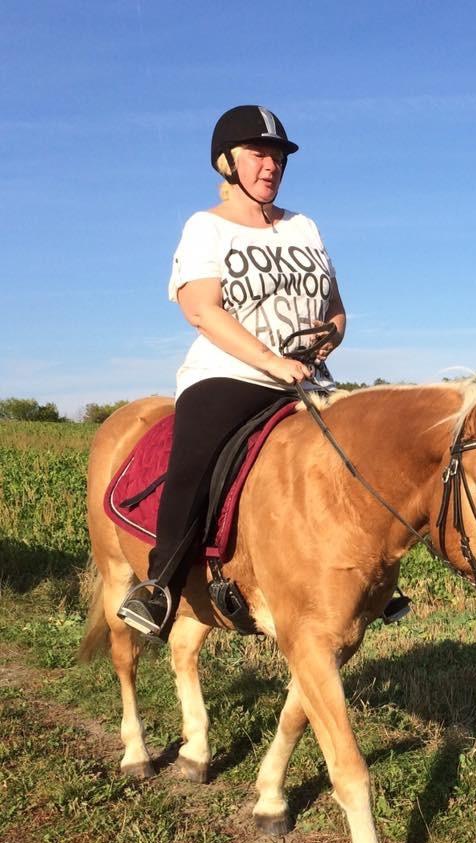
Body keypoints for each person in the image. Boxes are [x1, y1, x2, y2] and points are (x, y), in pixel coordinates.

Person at [118, 104, 346, 637]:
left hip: (307, 378)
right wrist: (272, 362)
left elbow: (335, 308)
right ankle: (160, 584)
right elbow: (202, 309)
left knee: (364, 452)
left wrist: (327, 338)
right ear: (227, 162)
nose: (271, 166)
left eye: (278, 157)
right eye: (258, 155)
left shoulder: (304, 226)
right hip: (230, 374)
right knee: (197, 454)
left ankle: (368, 583)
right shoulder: (205, 228)